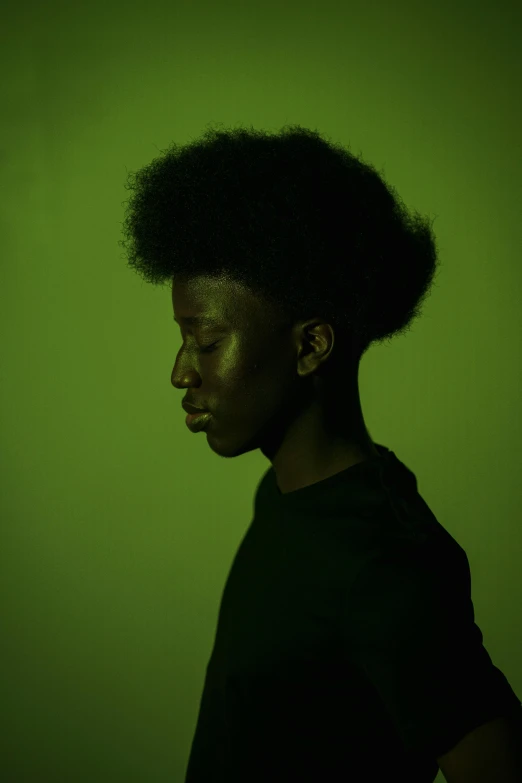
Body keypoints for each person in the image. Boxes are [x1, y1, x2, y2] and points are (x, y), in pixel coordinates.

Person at [119, 124, 521, 782]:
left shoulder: (386, 565)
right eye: (181, 338)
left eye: (208, 340)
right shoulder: (282, 495)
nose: (180, 372)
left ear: (310, 347)